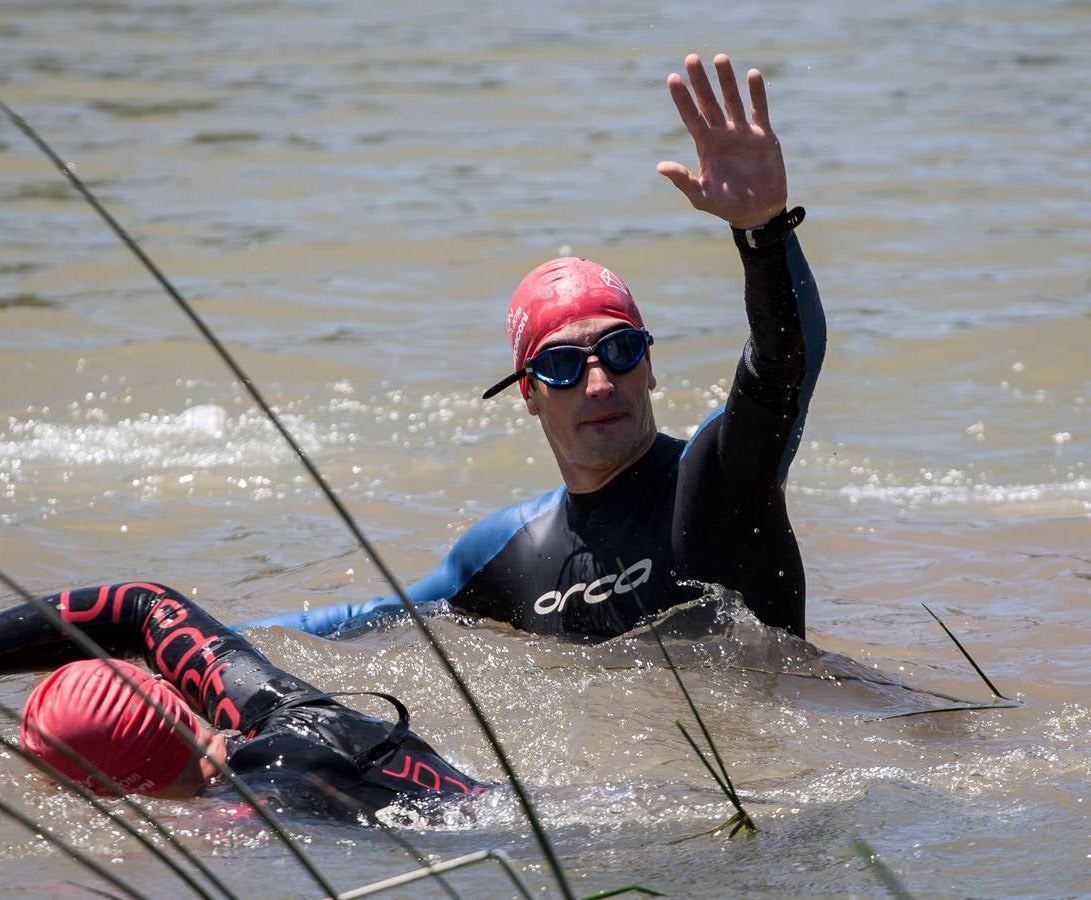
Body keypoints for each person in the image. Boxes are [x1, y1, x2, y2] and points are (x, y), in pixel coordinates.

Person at [243, 52, 825, 641]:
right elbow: (364, 621)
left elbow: (783, 366)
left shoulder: (717, 480)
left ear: (649, 365)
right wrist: (184, 631)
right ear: (528, 391)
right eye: (563, 365)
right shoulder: (509, 552)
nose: (599, 383)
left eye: (620, 350)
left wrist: (763, 231)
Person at [0, 583, 486, 814]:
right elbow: (143, 605)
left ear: (112, 792)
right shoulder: (288, 713)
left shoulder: (240, 818)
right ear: (172, 697)